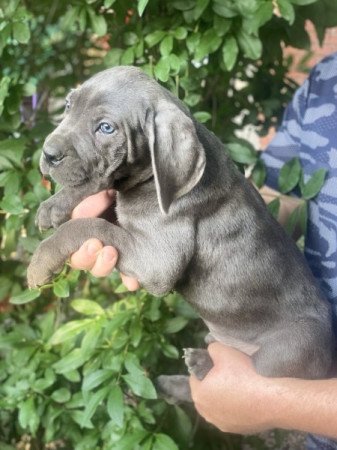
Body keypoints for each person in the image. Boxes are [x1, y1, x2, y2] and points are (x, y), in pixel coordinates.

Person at [69, 53, 337, 447]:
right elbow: (282, 200)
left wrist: (281, 403)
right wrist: (155, 222)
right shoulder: (326, 80)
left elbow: (279, 401)